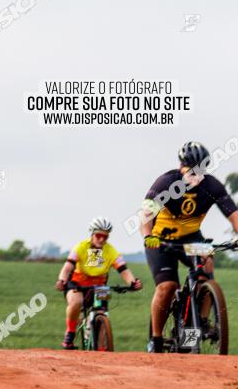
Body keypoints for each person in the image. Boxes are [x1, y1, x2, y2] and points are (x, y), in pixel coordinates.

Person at [141, 141, 238, 353]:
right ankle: (156, 339)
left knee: (206, 267)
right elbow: (146, 214)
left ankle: (198, 325)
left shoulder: (211, 186)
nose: (195, 174)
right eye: (190, 169)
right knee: (167, 287)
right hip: (161, 239)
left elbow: (234, 214)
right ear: (181, 166)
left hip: (191, 237)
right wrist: (148, 236)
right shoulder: (166, 183)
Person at [55, 217, 142, 349]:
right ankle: (70, 333)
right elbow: (67, 268)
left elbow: (124, 270)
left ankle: (101, 338)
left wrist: (133, 282)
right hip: (77, 284)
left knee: (103, 312)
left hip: (100, 286)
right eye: (99, 235)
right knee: (77, 303)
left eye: (105, 237)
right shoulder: (81, 247)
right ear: (92, 234)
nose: (102, 239)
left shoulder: (110, 250)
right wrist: (62, 281)